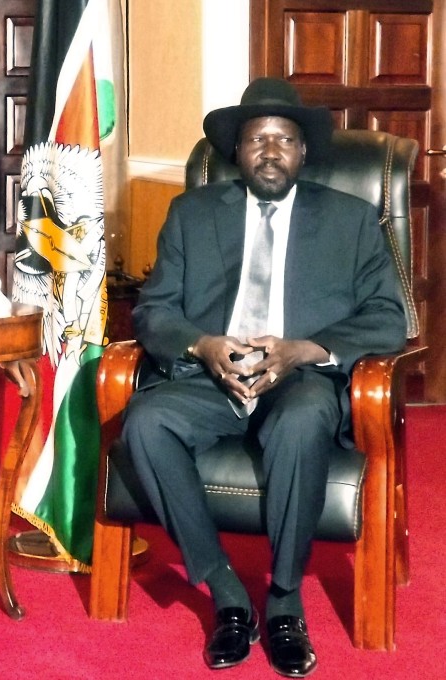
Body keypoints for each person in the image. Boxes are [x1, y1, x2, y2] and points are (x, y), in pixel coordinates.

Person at [120, 78, 406, 678]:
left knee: (302, 419)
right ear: (237, 151)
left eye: (284, 140)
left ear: (303, 151)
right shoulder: (192, 214)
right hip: (212, 378)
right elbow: (154, 309)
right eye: (257, 139)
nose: (271, 151)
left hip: (298, 380)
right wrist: (203, 345)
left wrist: (304, 351)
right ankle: (225, 589)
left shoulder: (351, 220)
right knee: (146, 421)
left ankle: (283, 598)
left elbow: (388, 317)